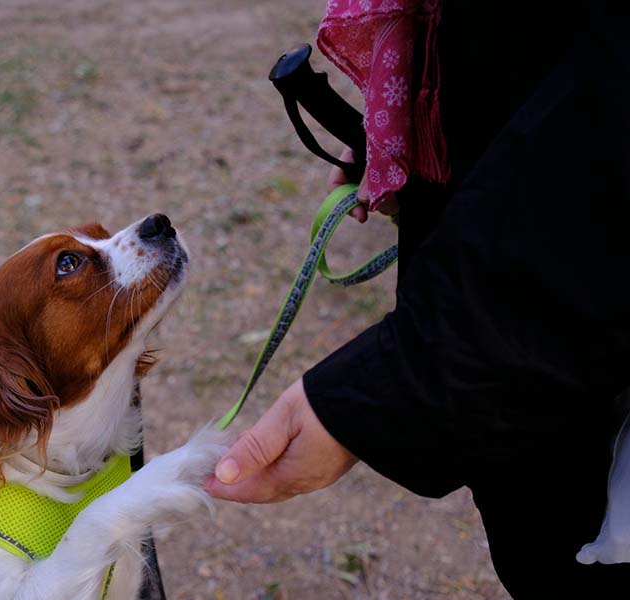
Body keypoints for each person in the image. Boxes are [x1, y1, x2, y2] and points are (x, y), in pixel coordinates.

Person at [207, 1, 630, 597]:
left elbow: (599, 176)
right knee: (537, 529)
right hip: (501, 263)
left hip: (563, 338)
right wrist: (399, 115)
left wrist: (383, 391)